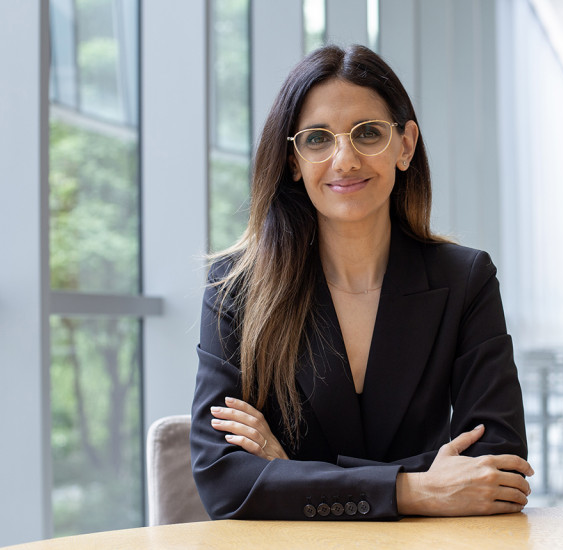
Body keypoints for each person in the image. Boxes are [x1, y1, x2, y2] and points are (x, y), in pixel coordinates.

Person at [190, 44, 532, 521]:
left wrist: (291, 473)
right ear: (293, 161)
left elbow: (499, 472)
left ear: (405, 145)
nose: (345, 159)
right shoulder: (235, 289)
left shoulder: (465, 279)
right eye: (317, 139)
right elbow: (223, 482)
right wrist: (413, 490)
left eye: (368, 133)